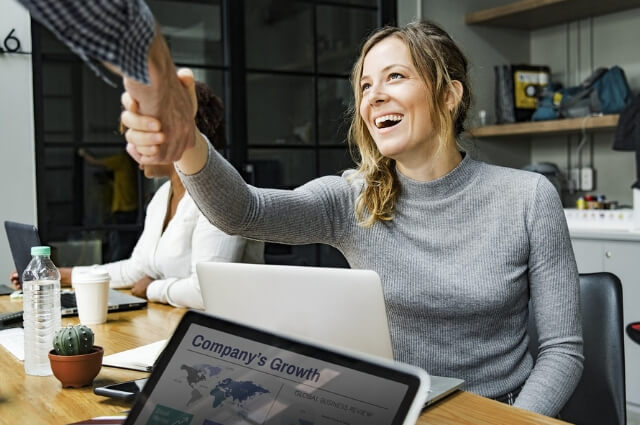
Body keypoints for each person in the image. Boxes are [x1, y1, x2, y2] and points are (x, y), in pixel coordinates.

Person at [15, 2, 582, 417]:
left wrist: (521, 421)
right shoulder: (351, 195)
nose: (374, 95)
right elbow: (245, 211)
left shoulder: (526, 198)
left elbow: (561, 352)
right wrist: (187, 137)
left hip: (494, 412)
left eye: (395, 77)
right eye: (365, 85)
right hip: (391, 409)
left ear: (449, 94)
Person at [10, 82, 264, 309]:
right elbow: (136, 270)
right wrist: (58, 275)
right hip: (174, 323)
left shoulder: (221, 193)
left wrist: (153, 288)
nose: (131, 146)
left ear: (179, 133)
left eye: (140, 133)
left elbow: (205, 292)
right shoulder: (162, 196)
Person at [78, 148, 139, 262]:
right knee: (121, 242)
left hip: (123, 210)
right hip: (130, 208)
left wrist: (83, 153)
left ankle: (115, 268)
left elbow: (95, 162)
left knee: (121, 245)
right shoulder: (130, 165)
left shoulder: (122, 160)